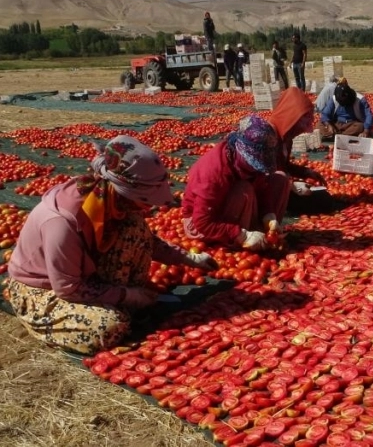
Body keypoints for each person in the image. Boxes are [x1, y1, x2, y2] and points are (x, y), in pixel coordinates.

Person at [5, 136, 218, 355]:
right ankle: (43, 321)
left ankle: (120, 302)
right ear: (125, 192)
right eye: (144, 201)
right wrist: (129, 295)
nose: (147, 208)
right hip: (44, 289)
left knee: (134, 225)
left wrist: (189, 258)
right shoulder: (62, 222)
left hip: (82, 278)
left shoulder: (112, 201)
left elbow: (146, 240)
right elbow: (68, 288)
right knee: (108, 326)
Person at [181, 88, 330, 250]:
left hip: (229, 209)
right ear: (242, 154)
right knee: (244, 190)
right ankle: (240, 239)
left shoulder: (249, 162)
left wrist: (269, 216)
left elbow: (262, 185)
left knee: (279, 179)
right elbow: (202, 222)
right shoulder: (214, 171)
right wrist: (241, 235)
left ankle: (263, 236)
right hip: (201, 225)